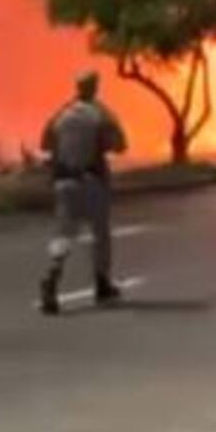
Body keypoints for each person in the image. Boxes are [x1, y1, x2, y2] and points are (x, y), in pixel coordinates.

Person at [38, 71, 128, 315]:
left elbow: (45, 143)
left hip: (63, 183)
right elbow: (120, 145)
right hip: (91, 182)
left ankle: (52, 275)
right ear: (95, 88)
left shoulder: (61, 114)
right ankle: (102, 283)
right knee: (100, 234)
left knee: (64, 234)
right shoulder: (99, 114)